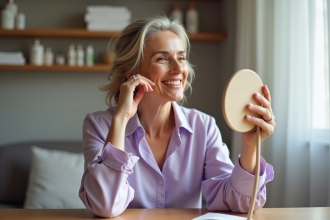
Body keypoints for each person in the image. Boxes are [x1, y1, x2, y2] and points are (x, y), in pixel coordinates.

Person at [79, 16, 275, 218]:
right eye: (162, 59)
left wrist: (251, 147)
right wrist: (120, 119)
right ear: (131, 71)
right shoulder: (99, 126)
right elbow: (105, 205)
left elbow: (236, 201)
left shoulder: (204, 126)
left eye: (181, 58)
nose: (178, 69)